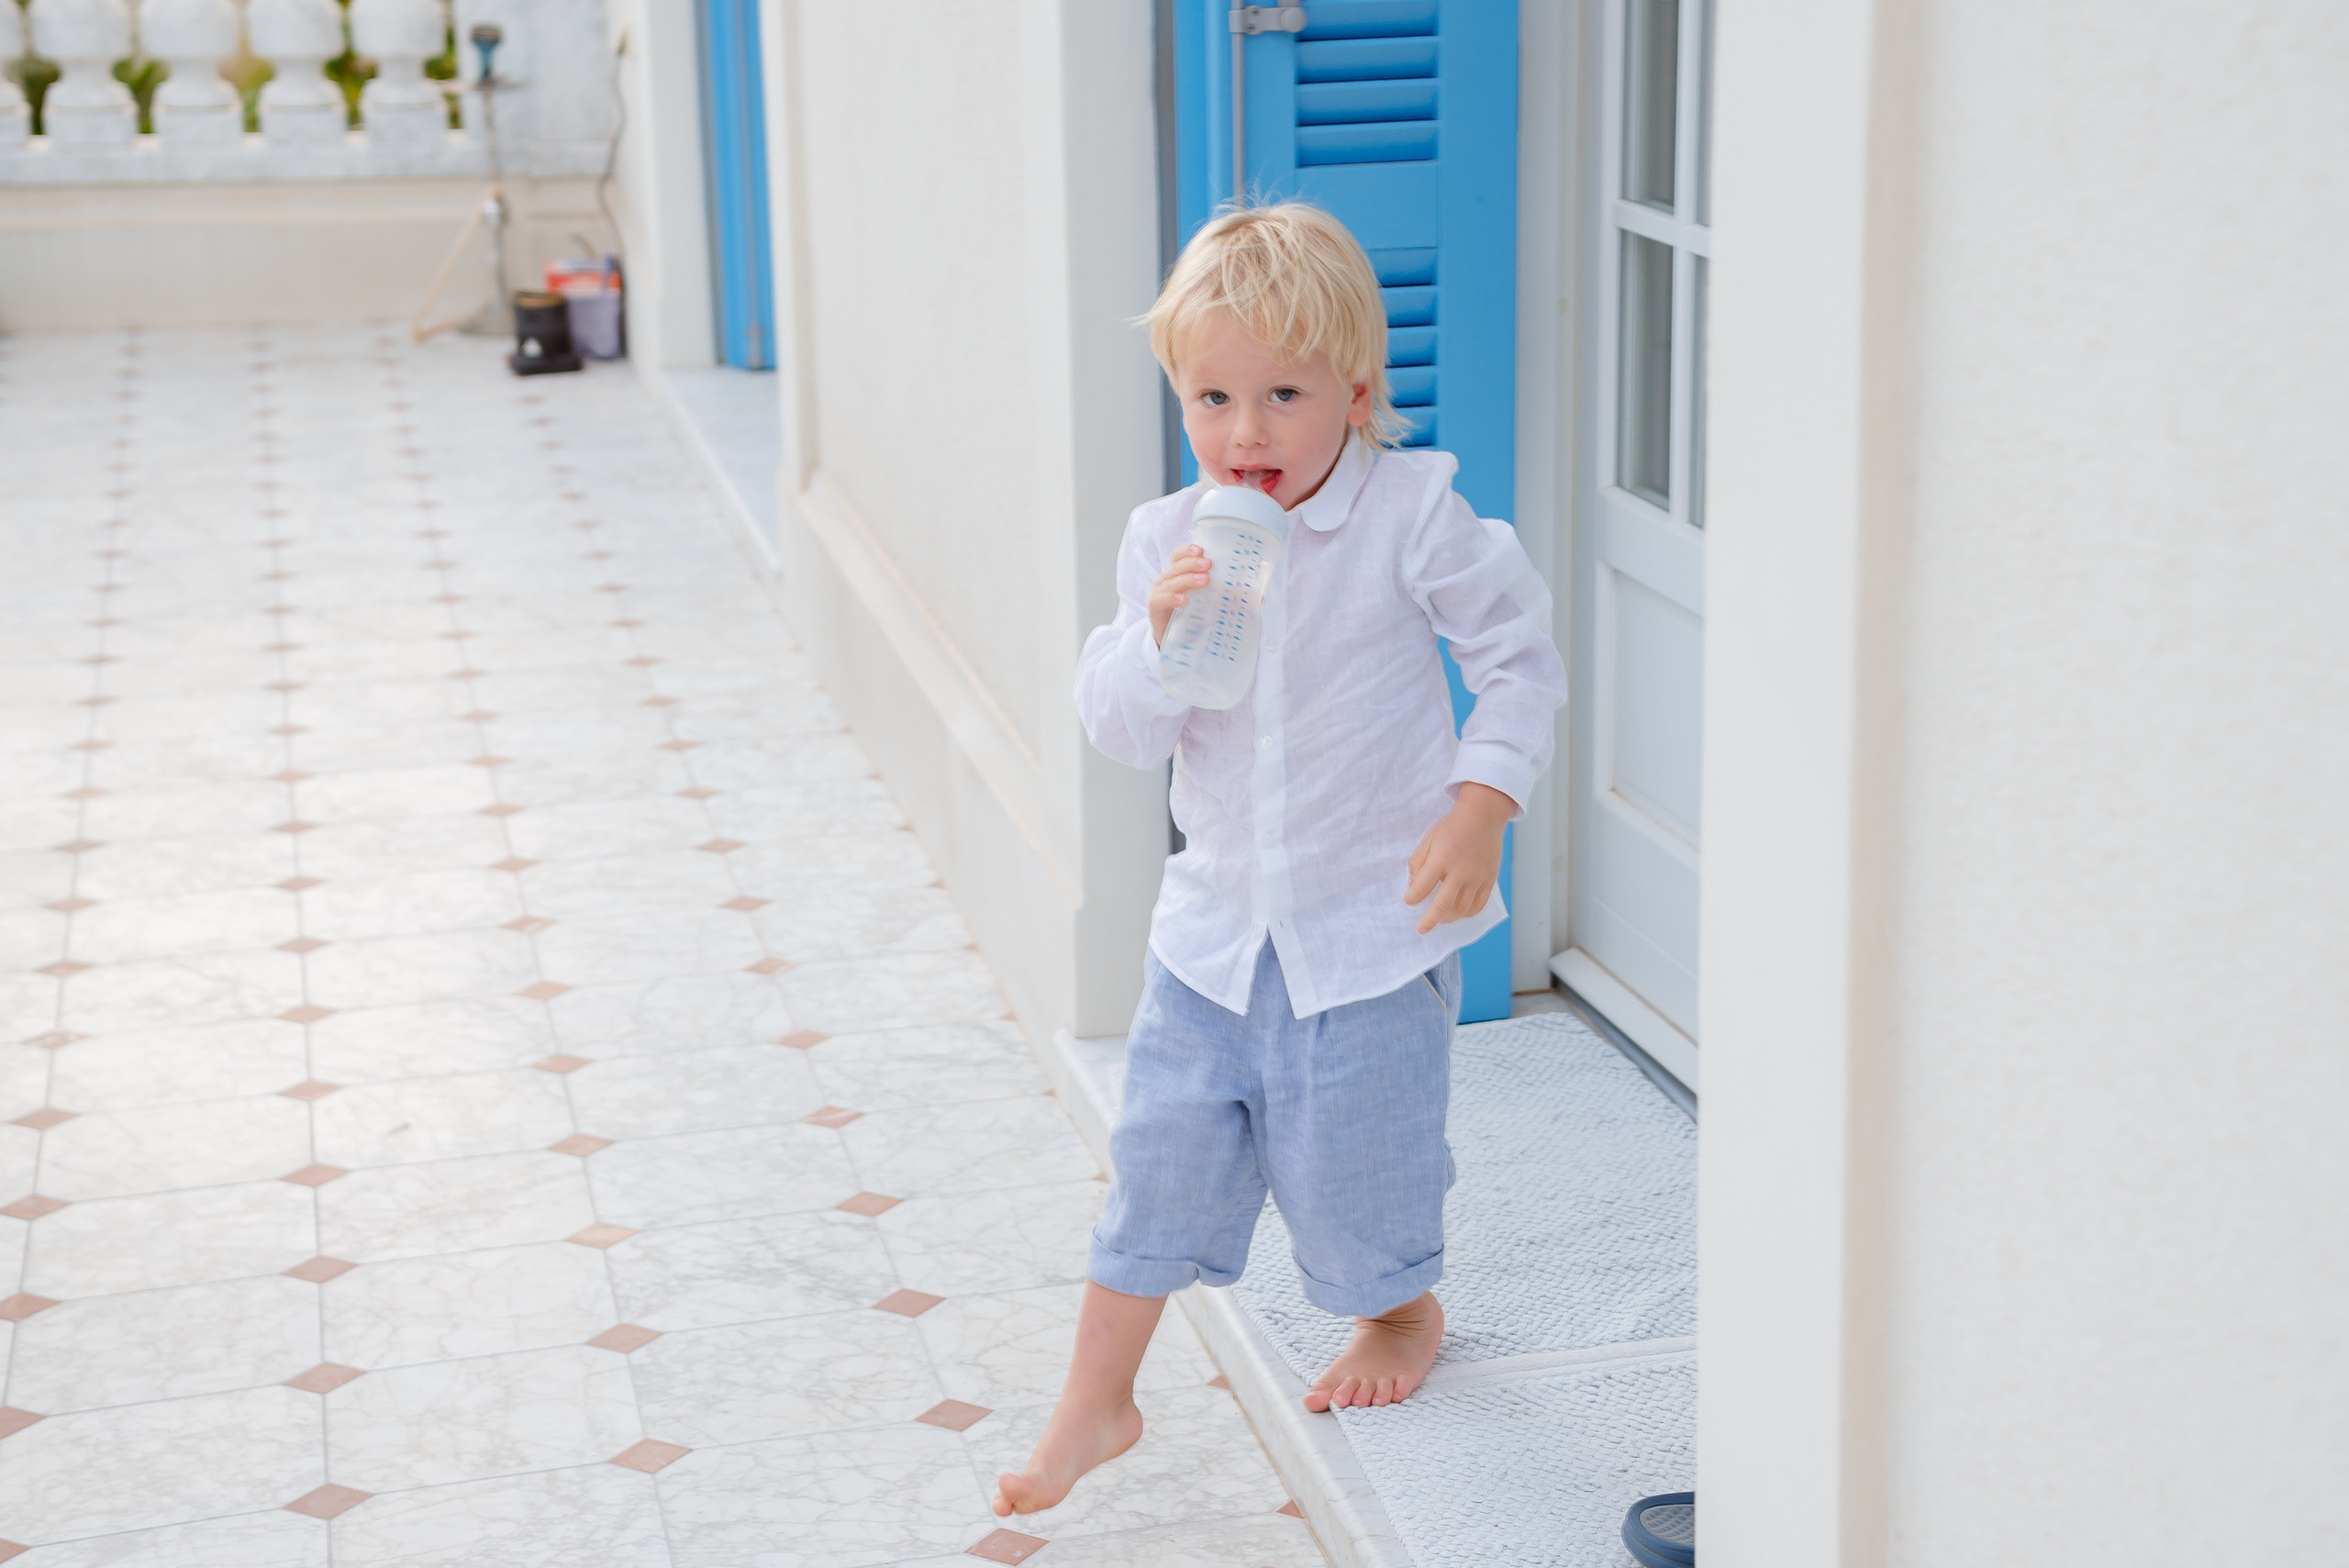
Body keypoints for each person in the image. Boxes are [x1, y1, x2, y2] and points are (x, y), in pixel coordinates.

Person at [994, 202, 1566, 1518]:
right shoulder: (1170, 541)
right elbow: (1124, 725)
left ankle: (1398, 1310)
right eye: (1211, 395)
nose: (1244, 432)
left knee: (1358, 1176)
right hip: (1213, 932)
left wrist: (1482, 800)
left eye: (1282, 394)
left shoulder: (1411, 516)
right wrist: (1155, 631)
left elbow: (1518, 658)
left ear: (1357, 395)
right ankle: (1099, 1396)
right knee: (1160, 1162)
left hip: (1368, 932)